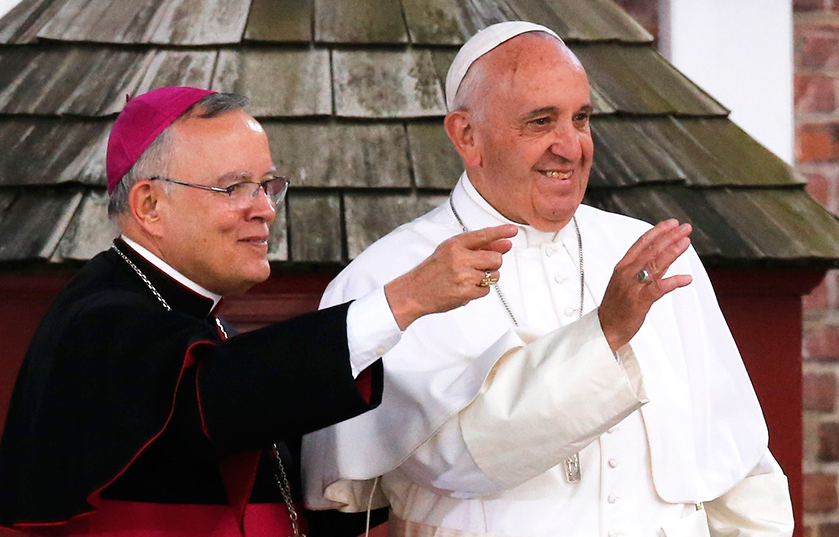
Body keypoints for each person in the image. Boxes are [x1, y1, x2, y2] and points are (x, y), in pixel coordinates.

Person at [302, 22, 794, 537]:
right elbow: (454, 460)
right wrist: (605, 334)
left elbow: (739, 469)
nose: (571, 147)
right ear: (467, 136)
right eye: (541, 122)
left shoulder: (653, 255)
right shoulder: (388, 282)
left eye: (580, 119)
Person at [0, 86, 518, 537]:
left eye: (266, 186)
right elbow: (218, 397)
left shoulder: (210, 327)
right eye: (234, 187)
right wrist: (404, 300)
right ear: (150, 205)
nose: (265, 209)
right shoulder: (99, 322)